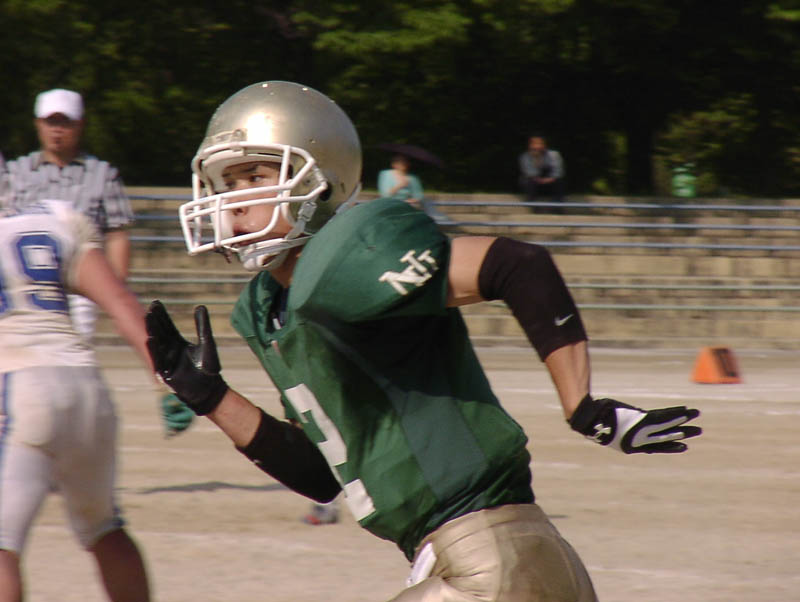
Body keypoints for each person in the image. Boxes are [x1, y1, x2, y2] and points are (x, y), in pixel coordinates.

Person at [145, 81, 702, 601]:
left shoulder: (355, 251)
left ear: (319, 183)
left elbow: (518, 265)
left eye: (254, 176)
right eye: (228, 183)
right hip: (466, 560)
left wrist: (582, 406)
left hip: (497, 558)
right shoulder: (265, 307)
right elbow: (320, 474)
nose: (235, 200)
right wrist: (212, 398)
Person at [0, 198, 155, 602]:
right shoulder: (53, 217)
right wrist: (166, 381)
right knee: (105, 527)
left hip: (18, 389)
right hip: (86, 386)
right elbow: (121, 302)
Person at [5, 88, 134, 341]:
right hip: (26, 285)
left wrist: (117, 296)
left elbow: (117, 234)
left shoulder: (103, 174)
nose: (57, 130)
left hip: (80, 287)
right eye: (51, 122)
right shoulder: (15, 172)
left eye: (65, 122)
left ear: (80, 125)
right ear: (38, 124)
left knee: (72, 348)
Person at [518, 134, 566, 211]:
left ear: (544, 145)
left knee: (560, 182)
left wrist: (548, 180)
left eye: (539, 143)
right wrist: (537, 159)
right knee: (526, 181)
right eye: (534, 144)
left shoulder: (554, 155)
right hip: (535, 183)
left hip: (551, 182)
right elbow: (530, 174)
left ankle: (557, 208)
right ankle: (534, 207)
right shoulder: (525, 157)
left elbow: (558, 172)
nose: (537, 146)